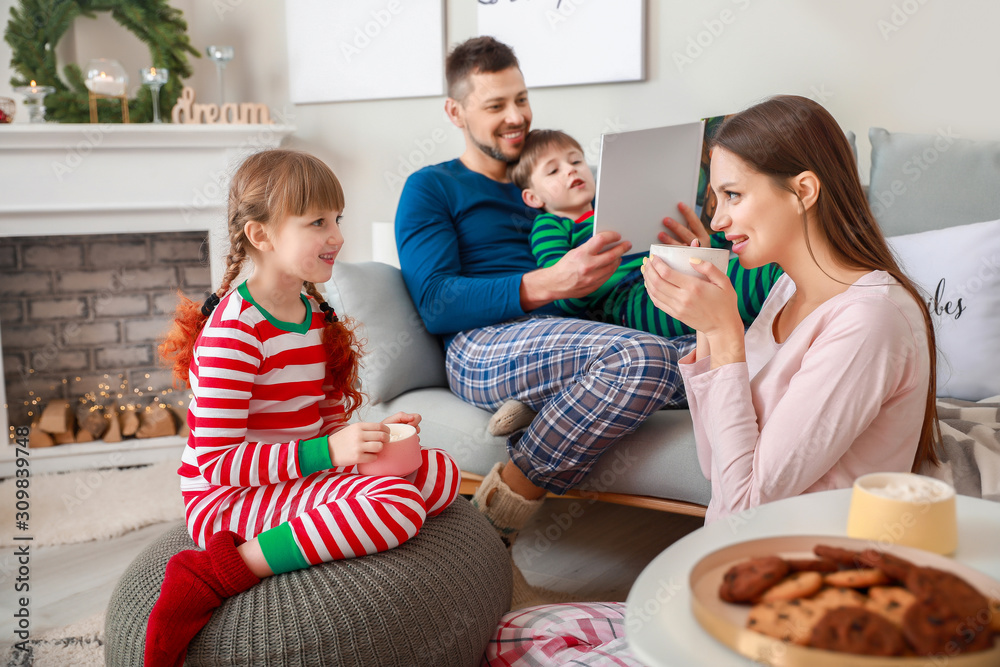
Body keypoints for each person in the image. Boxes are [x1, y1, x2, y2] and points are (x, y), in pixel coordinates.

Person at [394, 36, 702, 606]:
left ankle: (544, 403)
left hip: (578, 335)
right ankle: (499, 511)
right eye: (494, 107)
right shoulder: (431, 188)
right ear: (455, 112)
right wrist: (550, 283)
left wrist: (687, 250)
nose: (516, 117)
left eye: (522, 99)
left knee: (718, 348)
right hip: (482, 344)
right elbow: (436, 300)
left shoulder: (557, 182)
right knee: (644, 358)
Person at [146, 150, 461, 666]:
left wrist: (369, 441)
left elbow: (328, 424)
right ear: (261, 235)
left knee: (441, 474)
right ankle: (215, 572)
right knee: (398, 506)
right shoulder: (235, 333)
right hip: (228, 498)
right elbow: (217, 463)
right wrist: (332, 454)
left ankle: (335, 518)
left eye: (337, 219)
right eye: (317, 221)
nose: (336, 235)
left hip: (293, 478)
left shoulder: (316, 315)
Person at [642, 95, 940, 523]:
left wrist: (728, 336)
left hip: (806, 570)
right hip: (738, 559)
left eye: (733, 195)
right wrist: (706, 329)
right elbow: (717, 469)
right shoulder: (786, 290)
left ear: (803, 191)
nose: (718, 221)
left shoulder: (869, 321)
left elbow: (745, 505)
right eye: (717, 200)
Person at [511, 128, 783, 336]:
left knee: (766, 261)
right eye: (554, 170)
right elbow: (561, 287)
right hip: (626, 300)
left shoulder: (617, 203)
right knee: (743, 285)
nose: (570, 170)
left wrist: (702, 244)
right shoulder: (551, 225)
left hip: (669, 269)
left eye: (576, 161)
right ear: (533, 198)